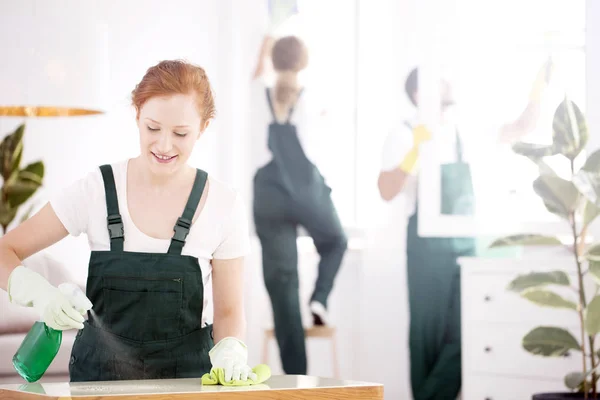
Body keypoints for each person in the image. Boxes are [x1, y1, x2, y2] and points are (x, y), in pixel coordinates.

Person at [0, 60, 258, 384]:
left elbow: (230, 312)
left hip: (187, 386)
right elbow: (4, 251)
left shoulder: (224, 205)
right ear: (136, 115)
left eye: (180, 133)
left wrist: (231, 349)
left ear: (203, 128)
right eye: (152, 128)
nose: (164, 145)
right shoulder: (96, 190)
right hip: (97, 385)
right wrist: (40, 293)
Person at [377, 62, 552, 400]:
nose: (449, 85)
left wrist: (538, 90)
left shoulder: (464, 131)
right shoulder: (402, 133)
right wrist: (414, 152)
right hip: (425, 249)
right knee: (426, 335)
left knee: (468, 330)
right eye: (441, 81)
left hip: (466, 246)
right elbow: (385, 190)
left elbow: (521, 127)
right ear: (420, 92)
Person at [250, 35, 348, 375]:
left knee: (282, 286)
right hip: (306, 189)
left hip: (267, 195)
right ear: (302, 64)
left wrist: (265, 43)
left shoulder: (257, 93)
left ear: (273, 62)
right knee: (336, 241)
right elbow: (317, 146)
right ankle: (320, 297)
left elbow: (256, 75)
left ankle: (296, 381)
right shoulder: (309, 97)